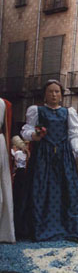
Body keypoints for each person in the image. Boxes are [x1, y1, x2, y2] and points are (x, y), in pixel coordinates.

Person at [21, 80, 78, 241]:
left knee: (67, 189)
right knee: (42, 189)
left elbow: (73, 135)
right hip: (43, 155)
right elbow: (27, 129)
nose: (54, 94)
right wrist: (34, 136)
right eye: (50, 91)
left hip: (63, 155)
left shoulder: (68, 112)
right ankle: (42, 228)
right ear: (45, 94)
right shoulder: (37, 110)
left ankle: (68, 228)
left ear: (61, 95)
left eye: (57, 92)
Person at [0, 97, 15, 243]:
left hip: (0, 146)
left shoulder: (4, 104)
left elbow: (8, 128)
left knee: (3, 187)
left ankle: (4, 232)